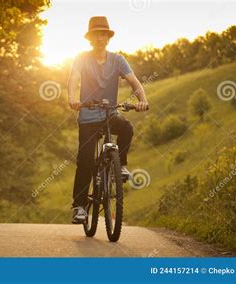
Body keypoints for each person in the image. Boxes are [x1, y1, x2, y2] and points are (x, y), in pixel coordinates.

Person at [67, 16, 149, 224]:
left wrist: (142, 100)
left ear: (108, 37)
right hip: (87, 116)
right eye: (96, 34)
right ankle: (79, 207)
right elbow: (74, 78)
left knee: (127, 128)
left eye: (103, 33)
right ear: (90, 38)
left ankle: (119, 166)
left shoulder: (118, 60)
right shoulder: (81, 59)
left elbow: (134, 81)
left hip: (109, 113)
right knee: (85, 161)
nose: (100, 38)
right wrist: (73, 98)